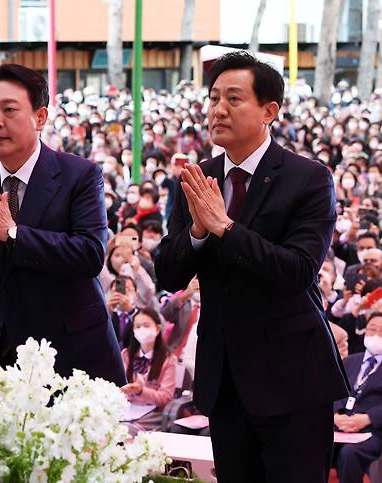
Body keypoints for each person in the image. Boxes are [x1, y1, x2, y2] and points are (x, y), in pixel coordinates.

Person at [155, 51, 348, 482]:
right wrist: (198, 233)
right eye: (213, 97)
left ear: (269, 111)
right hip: (224, 378)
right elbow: (168, 273)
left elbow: (297, 271)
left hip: (291, 379)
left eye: (233, 98)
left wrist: (223, 226)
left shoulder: (308, 178)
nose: (218, 109)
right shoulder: (197, 177)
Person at [0, 64, 125, 386]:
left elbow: (91, 254)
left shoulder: (79, 175)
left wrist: (12, 234)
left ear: (40, 117)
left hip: (66, 353)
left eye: (9, 110)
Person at [332, 312, 382, 482]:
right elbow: (334, 391)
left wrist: (368, 418)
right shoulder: (350, 361)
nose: (375, 335)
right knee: (312, 444)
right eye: (371, 329)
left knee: (349, 454)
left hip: (372, 430)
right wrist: (335, 416)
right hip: (339, 426)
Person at [120, 307, 176, 435]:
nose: (141, 330)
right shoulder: (126, 355)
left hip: (153, 414)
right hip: (127, 410)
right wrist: (124, 390)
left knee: (126, 431)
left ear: (157, 329)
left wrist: (141, 391)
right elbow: (118, 386)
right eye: (137, 326)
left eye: (146, 325)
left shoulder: (168, 359)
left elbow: (165, 397)